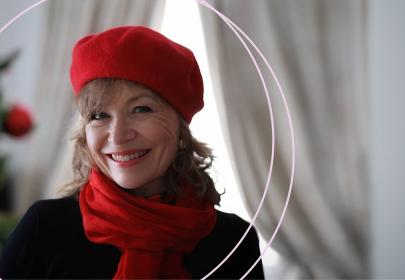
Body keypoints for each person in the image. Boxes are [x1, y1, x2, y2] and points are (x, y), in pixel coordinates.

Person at [0, 26, 265, 279]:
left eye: (141, 109)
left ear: (181, 126)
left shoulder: (234, 242)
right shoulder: (44, 230)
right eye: (99, 115)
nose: (117, 135)